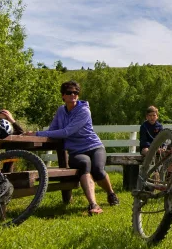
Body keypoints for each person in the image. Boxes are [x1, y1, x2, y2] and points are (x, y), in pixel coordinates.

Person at [23, 80, 119, 214]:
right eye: (69, 92)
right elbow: (53, 130)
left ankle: (111, 193)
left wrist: (37, 133)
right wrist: (33, 136)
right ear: (63, 96)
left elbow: (67, 131)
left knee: (98, 170)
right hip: (76, 151)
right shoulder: (61, 111)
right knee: (84, 165)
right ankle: (93, 205)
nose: (73, 95)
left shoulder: (84, 111)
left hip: (94, 146)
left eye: (76, 92)